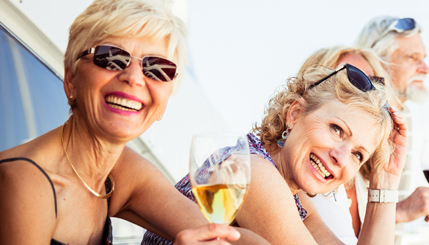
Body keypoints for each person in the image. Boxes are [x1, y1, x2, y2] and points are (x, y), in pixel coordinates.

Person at [0, 0, 259, 244]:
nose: (134, 77)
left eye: (158, 69)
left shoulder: (119, 171)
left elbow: (229, 238)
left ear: (165, 103)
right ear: (71, 79)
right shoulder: (27, 184)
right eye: (111, 57)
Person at [143, 60, 408, 245]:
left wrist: (385, 179)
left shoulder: (295, 196)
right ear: (294, 114)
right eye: (337, 129)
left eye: (358, 154)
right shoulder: (254, 173)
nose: (341, 157)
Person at [302, 46, 429, 245]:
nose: (363, 96)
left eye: (373, 86)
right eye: (349, 82)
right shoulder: (304, 177)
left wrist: (385, 178)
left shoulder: (345, 174)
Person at [356, 17, 429, 244]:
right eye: (413, 58)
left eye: (423, 58)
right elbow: (344, 223)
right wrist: (401, 211)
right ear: (379, 62)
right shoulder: (358, 119)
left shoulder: (405, 117)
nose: (426, 69)